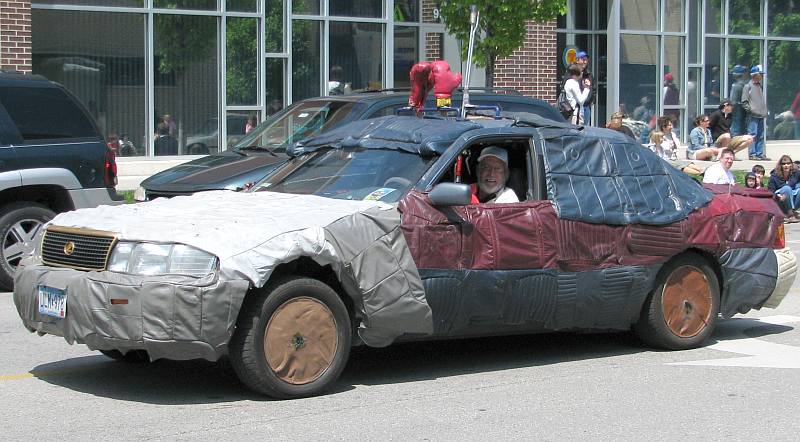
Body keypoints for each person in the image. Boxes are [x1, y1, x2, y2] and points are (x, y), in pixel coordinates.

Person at [742, 65, 770, 160]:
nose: (762, 76)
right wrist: (751, 110)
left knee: (761, 135)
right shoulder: (748, 86)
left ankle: (760, 153)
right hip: (753, 115)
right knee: (752, 135)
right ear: (755, 75)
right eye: (760, 74)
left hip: (761, 115)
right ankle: (752, 154)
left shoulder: (759, 86)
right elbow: (744, 102)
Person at [768, 155, 800, 221]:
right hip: (780, 200)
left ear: (791, 164)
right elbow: (770, 192)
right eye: (784, 164)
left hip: (792, 198)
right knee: (786, 188)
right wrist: (777, 196)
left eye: (788, 163)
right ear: (780, 165)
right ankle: (790, 214)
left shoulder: (796, 173)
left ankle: (790, 212)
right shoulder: (774, 176)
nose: (786, 165)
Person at [575, 51, 595, 125]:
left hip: (586, 108)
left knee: (585, 129)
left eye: (586, 60)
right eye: (583, 60)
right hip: (575, 108)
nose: (585, 62)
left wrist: (591, 101)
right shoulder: (571, 73)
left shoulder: (589, 74)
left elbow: (593, 89)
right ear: (577, 60)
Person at [729, 65, 749, 136]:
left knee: (735, 129)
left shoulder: (736, 85)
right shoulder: (746, 84)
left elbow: (733, 101)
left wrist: (730, 109)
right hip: (744, 110)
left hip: (737, 110)